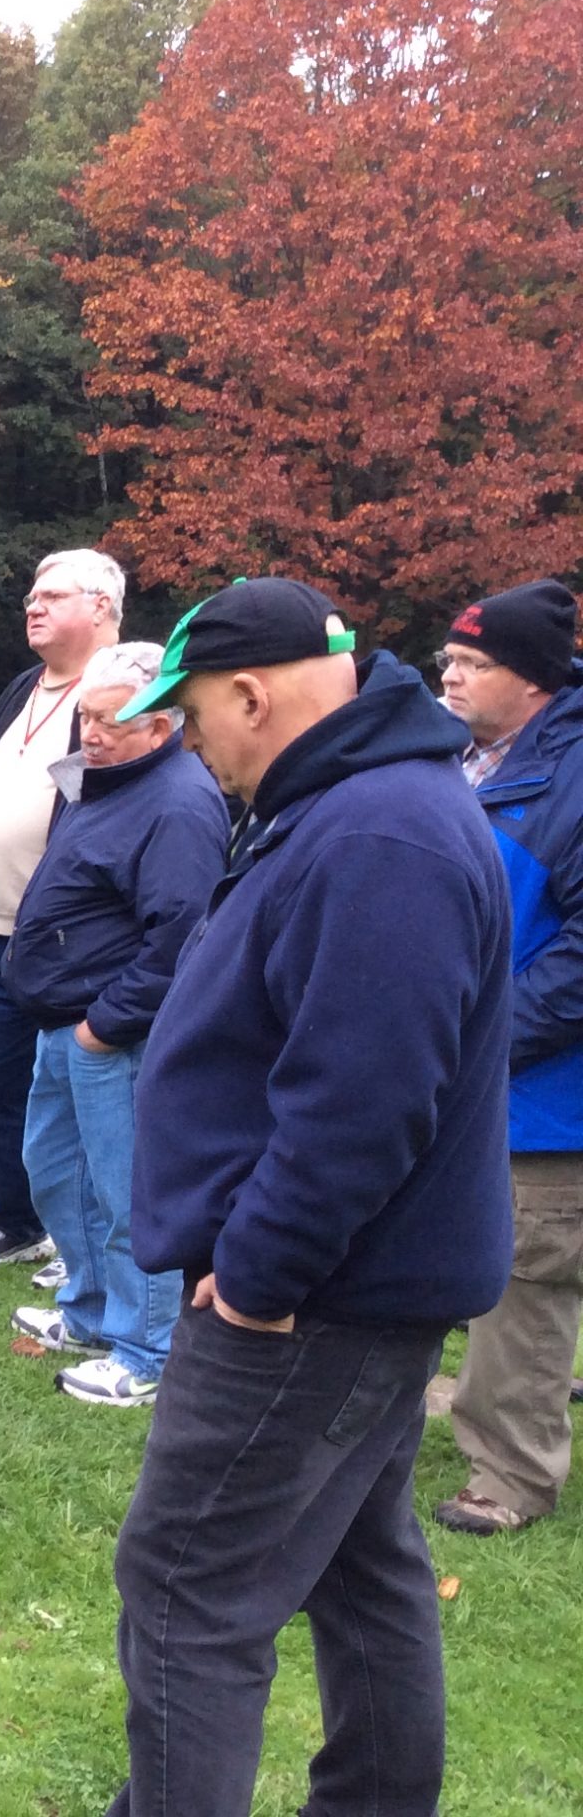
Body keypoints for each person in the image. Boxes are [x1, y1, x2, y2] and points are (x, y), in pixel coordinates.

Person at [103, 577, 511, 1816]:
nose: (193, 741)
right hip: (352, 1296)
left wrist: (260, 1280)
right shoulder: (354, 802)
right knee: (359, 1565)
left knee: (183, 1582)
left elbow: (360, 1100)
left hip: (309, 1304)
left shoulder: (377, 830)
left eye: (193, 713)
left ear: (250, 690)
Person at [0, 641, 225, 1406]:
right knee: (56, 1172)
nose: (87, 734)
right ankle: (91, 1311)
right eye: (85, 717)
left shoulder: (179, 802)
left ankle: (148, 1350)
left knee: (126, 1194)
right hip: (62, 1022)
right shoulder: (105, 781)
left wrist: (108, 1022)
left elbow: (182, 932)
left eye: (105, 721)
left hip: (111, 1032)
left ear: (161, 727)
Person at [434, 579, 583, 1536]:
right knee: (488, 1258)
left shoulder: (571, 776)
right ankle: (499, 1409)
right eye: (448, 655)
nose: (447, 671)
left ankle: (513, 1477)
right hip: (480, 1068)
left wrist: (488, 1039)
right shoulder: (473, 758)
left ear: (529, 682)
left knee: (527, 1273)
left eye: (472, 662)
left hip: (545, 1089)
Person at [0, 548, 125, 1274]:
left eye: (52, 596)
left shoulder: (121, 692)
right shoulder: (24, 685)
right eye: (30, 595)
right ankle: (15, 1221)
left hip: (78, 942)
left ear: (102, 608)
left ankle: (79, 1239)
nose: (32, 605)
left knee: (79, 1102)